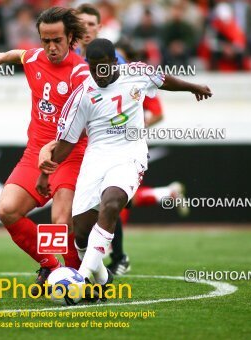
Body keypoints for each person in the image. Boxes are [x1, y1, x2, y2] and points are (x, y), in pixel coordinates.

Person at [36, 38, 212, 296]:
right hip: (96, 159)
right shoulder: (83, 95)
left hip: (130, 155)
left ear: (114, 62)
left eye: (103, 67)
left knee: (111, 203)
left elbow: (163, 79)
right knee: (81, 234)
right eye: (93, 68)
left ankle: (80, 280)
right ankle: (102, 278)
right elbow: (66, 143)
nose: (98, 74)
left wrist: (193, 86)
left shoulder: (136, 73)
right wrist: (45, 173)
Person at [73, 3, 187, 276]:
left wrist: (131, 127)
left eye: (91, 24)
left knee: (112, 203)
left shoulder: (128, 71)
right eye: (81, 25)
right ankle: (166, 194)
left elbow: (152, 106)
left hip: (125, 150)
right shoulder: (77, 64)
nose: (86, 29)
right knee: (94, 212)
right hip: (92, 150)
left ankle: (113, 259)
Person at [0, 7, 89, 293]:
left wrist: (51, 152)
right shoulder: (35, 57)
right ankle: (52, 267)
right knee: (6, 210)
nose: (51, 47)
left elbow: (79, 128)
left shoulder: (81, 74)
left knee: (61, 220)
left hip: (69, 154)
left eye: (58, 40)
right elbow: (20, 54)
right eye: (46, 41)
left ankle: (76, 280)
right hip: (35, 154)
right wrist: (0, 56)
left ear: (70, 38)